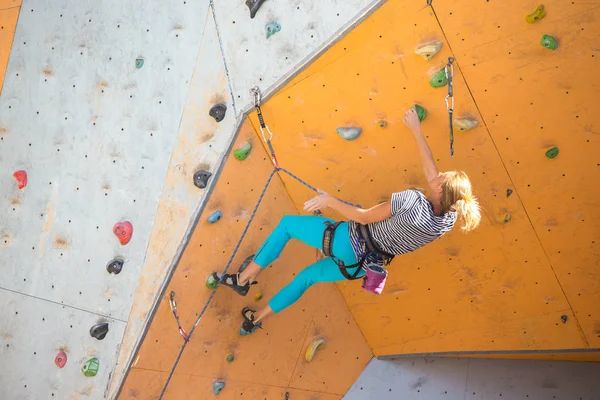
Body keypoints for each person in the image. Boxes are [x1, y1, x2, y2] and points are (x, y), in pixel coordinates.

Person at [218, 107, 482, 335]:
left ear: (439, 190)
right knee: (306, 278)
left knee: (287, 225)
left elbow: (363, 216)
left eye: (441, 177)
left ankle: (243, 279)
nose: (437, 174)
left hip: (347, 241)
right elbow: (431, 172)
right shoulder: (447, 219)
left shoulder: (412, 200)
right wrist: (416, 131)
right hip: (363, 265)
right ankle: (255, 320)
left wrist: (329, 200)